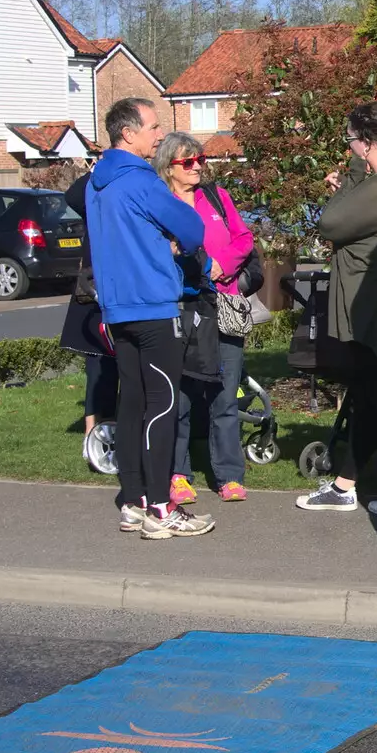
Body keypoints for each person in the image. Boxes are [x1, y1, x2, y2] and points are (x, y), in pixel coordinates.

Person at [87, 97, 213, 540]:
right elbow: (193, 229)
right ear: (129, 133)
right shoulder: (140, 181)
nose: (159, 136)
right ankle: (161, 507)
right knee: (162, 403)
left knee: (132, 402)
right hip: (153, 304)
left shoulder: (96, 182)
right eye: (153, 127)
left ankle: (133, 501)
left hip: (118, 307)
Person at [298, 101, 377, 518]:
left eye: (350, 142)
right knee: (370, 397)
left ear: (365, 144)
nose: (348, 149)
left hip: (374, 310)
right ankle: (347, 485)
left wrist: (346, 180)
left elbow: (330, 222)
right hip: (369, 308)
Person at [156, 132, 252, 505]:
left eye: (200, 160)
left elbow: (243, 239)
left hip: (224, 306)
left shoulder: (216, 196)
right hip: (180, 308)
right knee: (178, 397)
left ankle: (228, 475)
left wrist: (222, 266)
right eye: (187, 162)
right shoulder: (159, 203)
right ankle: (178, 474)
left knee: (225, 394)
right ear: (168, 167)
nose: (197, 167)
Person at [61, 171, 118, 456]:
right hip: (96, 289)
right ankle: (92, 433)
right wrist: (97, 170)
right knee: (98, 367)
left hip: (127, 289)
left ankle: (118, 428)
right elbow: (73, 195)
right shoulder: (95, 200)